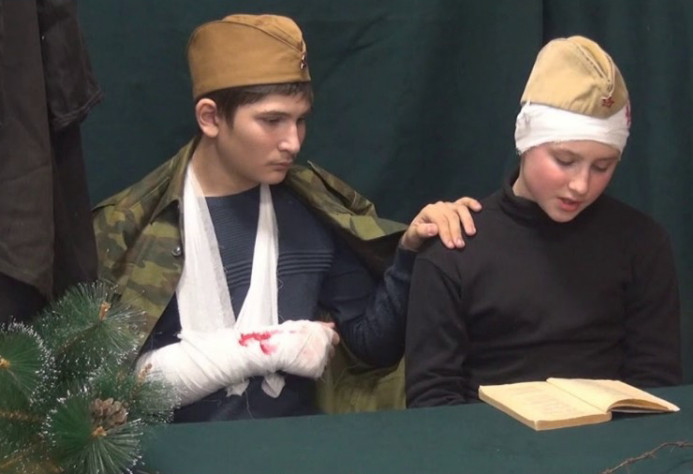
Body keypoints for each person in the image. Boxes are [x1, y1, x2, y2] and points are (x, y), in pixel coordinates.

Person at [92, 13, 479, 422]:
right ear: (210, 117)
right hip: (170, 451)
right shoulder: (128, 227)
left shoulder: (313, 209)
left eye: (300, 120)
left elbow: (371, 348)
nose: (292, 142)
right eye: (272, 120)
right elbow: (101, 391)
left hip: (295, 446)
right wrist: (272, 346)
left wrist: (410, 252)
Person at [404, 36, 682, 408]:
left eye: (602, 166)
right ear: (525, 142)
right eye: (565, 161)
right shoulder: (455, 246)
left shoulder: (641, 243)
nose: (581, 185)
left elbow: (656, 384)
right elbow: (432, 399)